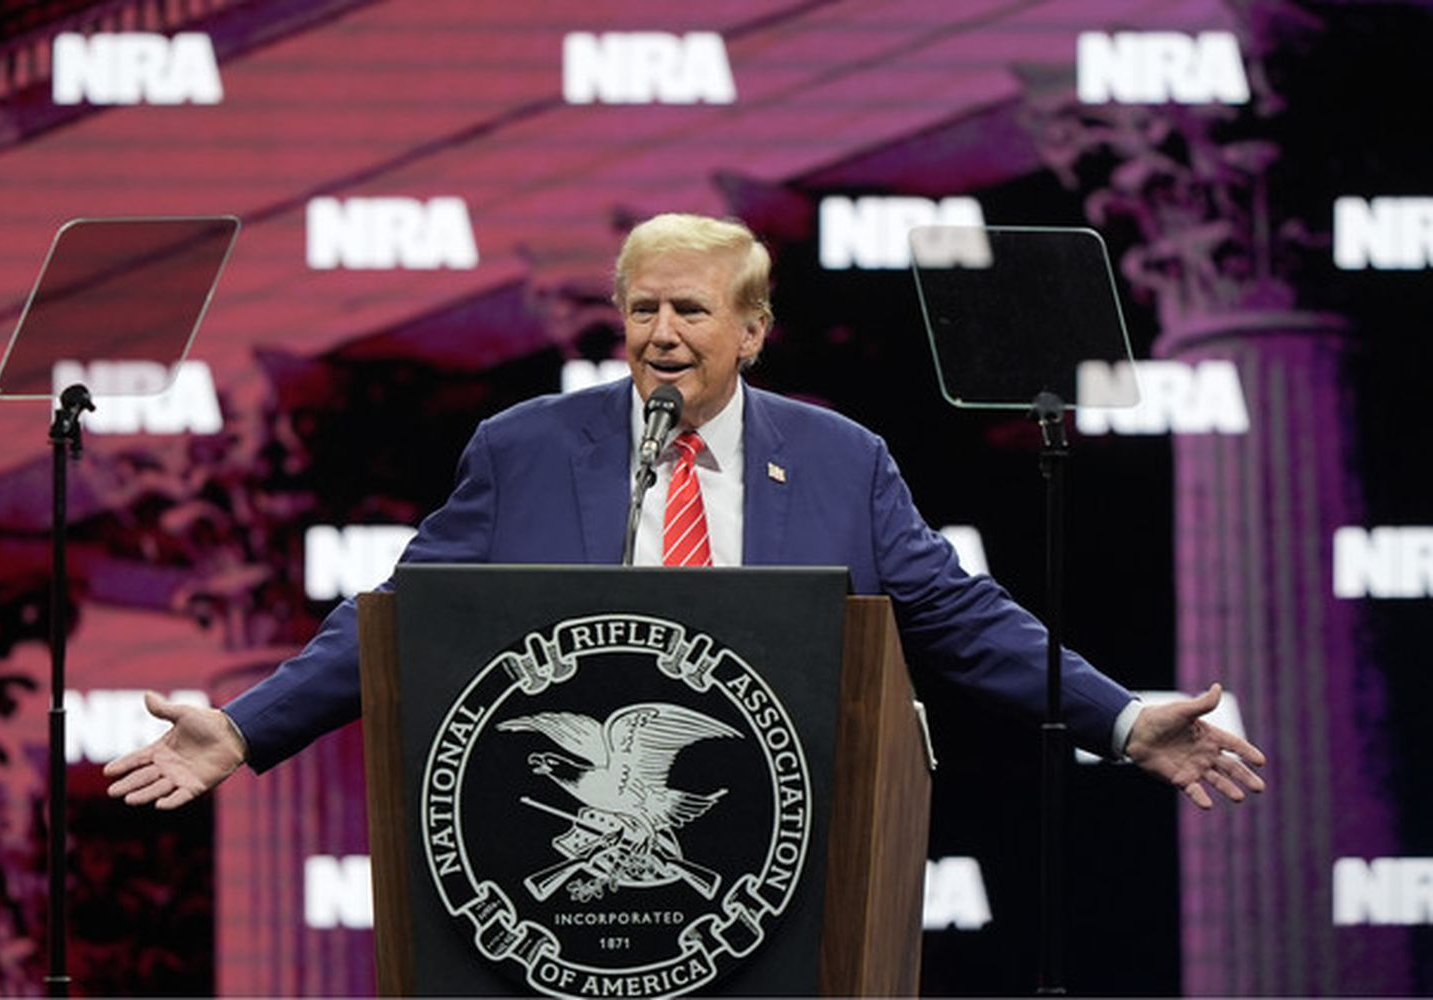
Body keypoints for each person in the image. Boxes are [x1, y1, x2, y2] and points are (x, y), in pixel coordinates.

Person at [105, 212, 1265, 812]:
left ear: (754, 330)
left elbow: (961, 621)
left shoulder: (840, 460)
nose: (664, 334)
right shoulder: (523, 451)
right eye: (644, 309)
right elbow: (397, 620)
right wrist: (250, 728)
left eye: (694, 312)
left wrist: (1118, 717)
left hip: (787, 834)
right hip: (562, 853)